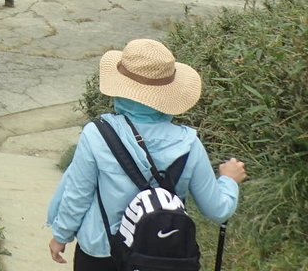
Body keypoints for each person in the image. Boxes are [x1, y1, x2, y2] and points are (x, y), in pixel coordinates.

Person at [47, 39, 247, 269]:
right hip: (160, 256)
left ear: (119, 89)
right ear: (168, 95)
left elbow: (77, 194)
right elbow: (218, 210)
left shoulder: (97, 134)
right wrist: (229, 180)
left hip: (101, 252)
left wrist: (61, 236)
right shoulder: (189, 144)